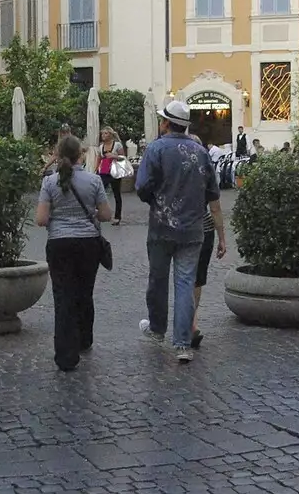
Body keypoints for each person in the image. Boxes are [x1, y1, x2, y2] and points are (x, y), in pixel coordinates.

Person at [135, 99, 220, 362]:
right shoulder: (200, 151)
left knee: (158, 281)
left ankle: (158, 330)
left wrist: (157, 200)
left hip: (161, 226)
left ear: (165, 123)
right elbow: (212, 191)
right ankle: (183, 344)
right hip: (193, 229)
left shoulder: (156, 149)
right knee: (185, 284)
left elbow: (142, 186)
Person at [34, 135, 112, 371]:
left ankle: (66, 354)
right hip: (88, 242)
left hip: (59, 243)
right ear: (80, 155)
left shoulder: (49, 183)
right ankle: (84, 338)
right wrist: (90, 216)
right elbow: (107, 215)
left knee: (63, 296)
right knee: (84, 291)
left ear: (58, 155)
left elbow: (41, 219)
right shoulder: (94, 180)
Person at [185, 136, 229, 350]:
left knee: (183, 276)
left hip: (178, 228)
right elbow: (215, 208)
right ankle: (191, 324)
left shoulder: (173, 169)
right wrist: (222, 237)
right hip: (203, 229)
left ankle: (184, 324)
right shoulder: (207, 172)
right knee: (197, 279)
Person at [97, 127, 126, 225]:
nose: (103, 136)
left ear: (110, 134)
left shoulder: (117, 145)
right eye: (102, 134)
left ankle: (117, 217)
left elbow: (123, 158)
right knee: (99, 192)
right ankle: (99, 213)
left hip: (114, 172)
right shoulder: (101, 147)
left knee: (116, 194)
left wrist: (114, 156)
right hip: (104, 171)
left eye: (105, 133)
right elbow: (99, 159)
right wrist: (95, 170)